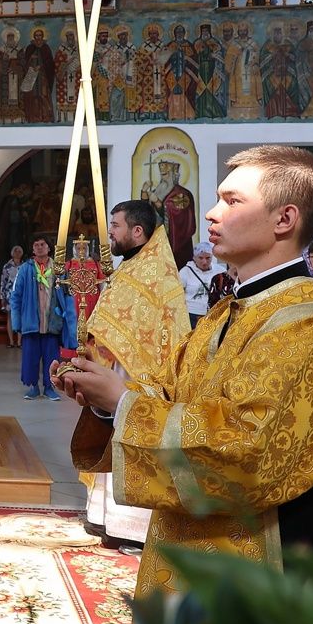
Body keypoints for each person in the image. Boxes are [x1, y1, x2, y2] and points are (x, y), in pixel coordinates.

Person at [54, 145, 313, 624]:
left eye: (232, 201)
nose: (210, 213)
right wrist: (103, 400)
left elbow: (246, 453)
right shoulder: (228, 313)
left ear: (284, 219)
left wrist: (123, 405)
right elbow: (178, 398)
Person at [74, 200, 189, 550]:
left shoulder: (153, 272)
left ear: (137, 231)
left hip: (139, 376)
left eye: (116, 226)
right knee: (110, 435)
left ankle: (131, 527)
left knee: (130, 437)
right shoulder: (132, 266)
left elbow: (154, 332)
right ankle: (102, 514)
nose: (110, 232)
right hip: (116, 369)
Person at [9, 236, 77, 400]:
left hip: (52, 321)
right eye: (36, 245)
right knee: (30, 357)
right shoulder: (25, 269)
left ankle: (49, 387)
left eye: (42, 244)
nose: (39, 247)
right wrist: (16, 321)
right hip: (31, 322)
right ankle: (33, 387)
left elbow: (68, 295)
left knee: (52, 358)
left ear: (49, 248)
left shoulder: (59, 269)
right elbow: (15, 296)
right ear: (33, 249)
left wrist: (70, 321)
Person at [177, 240, 220, 327]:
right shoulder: (185, 272)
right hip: (191, 314)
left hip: (213, 313)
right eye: (200, 258)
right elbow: (178, 294)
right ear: (194, 258)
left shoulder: (219, 271)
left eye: (208, 258)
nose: (204, 262)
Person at [0, 244, 24, 348]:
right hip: (9, 294)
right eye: (15, 251)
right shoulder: (7, 266)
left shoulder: (24, 266)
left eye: (19, 251)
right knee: (10, 317)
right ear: (12, 253)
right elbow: (3, 282)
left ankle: (19, 341)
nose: (17, 253)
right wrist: (2, 297)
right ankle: (11, 341)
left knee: (20, 317)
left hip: (21, 294)